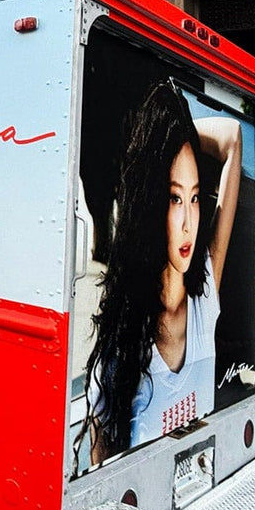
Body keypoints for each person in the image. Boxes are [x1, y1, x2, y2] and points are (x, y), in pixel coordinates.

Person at [79, 80, 242, 469]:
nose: (188, 222)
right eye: (173, 198)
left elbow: (232, 138)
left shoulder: (205, 296)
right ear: (152, 204)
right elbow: (101, 451)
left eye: (195, 197)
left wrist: (176, 129)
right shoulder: (127, 336)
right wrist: (155, 143)